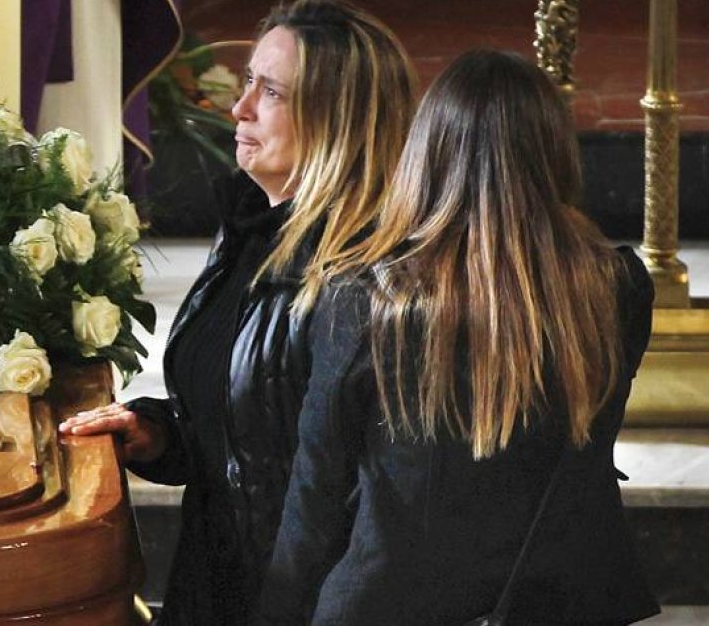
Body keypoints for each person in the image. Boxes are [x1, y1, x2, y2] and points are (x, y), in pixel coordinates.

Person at [256, 49, 661, 625]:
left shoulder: (366, 300)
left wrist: (276, 613)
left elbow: (316, 492)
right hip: (563, 600)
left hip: (391, 604)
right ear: (554, 152)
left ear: (427, 153)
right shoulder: (619, 288)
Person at [58, 0, 416, 625]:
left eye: (271, 92)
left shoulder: (366, 278)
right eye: (249, 81)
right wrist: (159, 433)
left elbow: (359, 497)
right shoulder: (253, 231)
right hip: (220, 578)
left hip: (297, 604)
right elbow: (250, 419)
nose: (240, 108)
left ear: (337, 119)